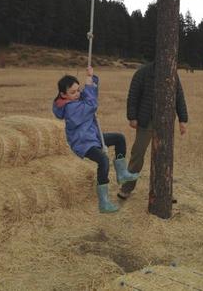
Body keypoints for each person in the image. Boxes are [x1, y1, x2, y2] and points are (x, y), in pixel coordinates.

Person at [52, 66, 139, 213]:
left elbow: (91, 95)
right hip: (83, 143)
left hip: (93, 137)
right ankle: (104, 202)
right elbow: (92, 104)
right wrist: (88, 85)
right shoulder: (70, 109)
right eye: (73, 92)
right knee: (103, 161)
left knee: (119, 138)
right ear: (63, 94)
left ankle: (122, 173)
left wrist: (91, 79)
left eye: (78, 90)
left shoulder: (76, 100)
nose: (78, 94)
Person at [117, 61, 188, 200]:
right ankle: (127, 188)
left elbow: (179, 96)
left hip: (165, 122)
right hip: (146, 121)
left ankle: (164, 191)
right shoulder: (142, 73)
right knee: (138, 154)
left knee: (164, 156)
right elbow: (133, 95)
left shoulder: (172, 73)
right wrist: (132, 117)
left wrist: (183, 120)